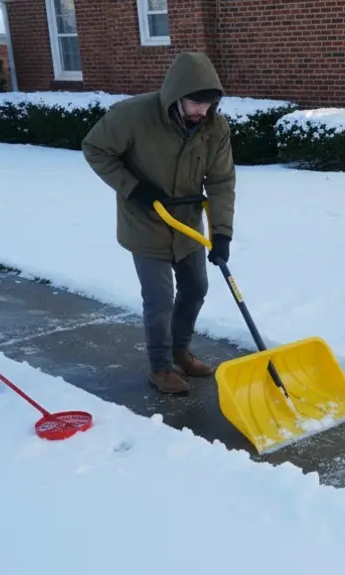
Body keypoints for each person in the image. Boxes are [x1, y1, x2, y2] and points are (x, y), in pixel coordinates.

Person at [81, 51, 235, 395]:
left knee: (196, 288)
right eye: (197, 104)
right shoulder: (133, 115)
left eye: (209, 106)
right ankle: (161, 367)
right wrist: (134, 189)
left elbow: (222, 180)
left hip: (187, 224)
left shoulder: (214, 126)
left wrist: (222, 232)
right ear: (178, 95)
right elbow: (95, 148)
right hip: (145, 220)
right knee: (160, 299)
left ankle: (180, 350)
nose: (203, 112)